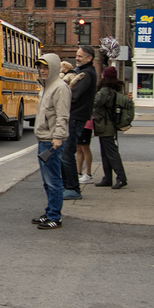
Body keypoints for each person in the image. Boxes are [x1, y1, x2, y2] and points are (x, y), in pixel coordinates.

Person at [32, 53, 71, 230]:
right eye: (40, 67)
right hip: (44, 139)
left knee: (53, 180)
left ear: (54, 68)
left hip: (51, 140)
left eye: (46, 67)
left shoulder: (60, 88)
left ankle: (55, 216)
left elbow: (62, 115)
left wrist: (58, 137)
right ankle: (50, 212)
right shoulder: (47, 86)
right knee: (47, 179)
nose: (42, 70)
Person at [61, 45, 97, 199]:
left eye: (80, 56)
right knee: (66, 152)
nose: (77, 58)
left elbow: (73, 95)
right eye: (77, 55)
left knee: (67, 153)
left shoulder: (86, 74)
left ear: (89, 58)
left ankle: (72, 188)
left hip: (76, 116)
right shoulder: (84, 73)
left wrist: (64, 90)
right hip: (77, 116)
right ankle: (68, 186)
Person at [92, 66, 128, 189]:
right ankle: (107, 178)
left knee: (111, 153)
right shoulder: (113, 90)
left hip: (105, 125)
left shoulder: (104, 91)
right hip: (108, 124)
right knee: (106, 153)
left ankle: (121, 178)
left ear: (105, 76)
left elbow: (95, 102)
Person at [77, 118, 94, 183]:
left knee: (85, 147)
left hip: (86, 124)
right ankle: (79, 172)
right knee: (78, 148)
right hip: (78, 123)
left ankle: (88, 174)